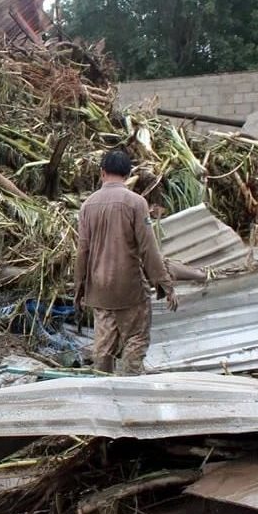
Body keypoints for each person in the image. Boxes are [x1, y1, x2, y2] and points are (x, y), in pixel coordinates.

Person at [74, 149, 178, 375]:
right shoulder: (136, 203)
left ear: (102, 173)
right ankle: (129, 387)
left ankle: (103, 389)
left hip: (99, 289)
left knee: (103, 347)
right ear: (128, 173)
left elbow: (82, 251)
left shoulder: (87, 206)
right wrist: (165, 283)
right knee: (136, 338)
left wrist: (79, 289)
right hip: (129, 288)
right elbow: (148, 248)